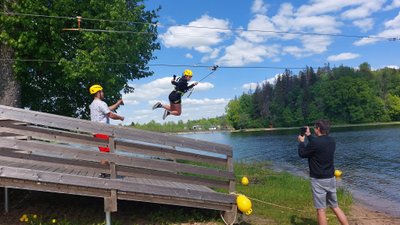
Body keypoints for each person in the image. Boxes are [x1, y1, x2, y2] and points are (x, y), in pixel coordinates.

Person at [298, 119, 349, 225]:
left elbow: (302, 154)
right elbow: (318, 143)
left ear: (318, 129)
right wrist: (308, 135)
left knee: (321, 209)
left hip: (318, 180)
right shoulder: (331, 141)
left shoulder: (316, 143)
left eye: (314, 128)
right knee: (335, 206)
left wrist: (301, 142)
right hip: (330, 178)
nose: (314, 130)